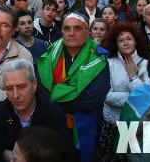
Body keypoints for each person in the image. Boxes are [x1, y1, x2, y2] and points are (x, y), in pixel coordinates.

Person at [36, 13, 110, 162]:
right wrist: (70, 94)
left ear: (88, 32)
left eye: (77, 28)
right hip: (52, 125)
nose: (71, 33)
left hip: (86, 127)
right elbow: (41, 92)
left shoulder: (99, 59)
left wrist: (55, 95)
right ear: (61, 31)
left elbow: (92, 100)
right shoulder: (49, 56)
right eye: (67, 28)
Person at [0, 59, 67, 162]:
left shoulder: (53, 114)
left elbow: (64, 155)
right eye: (9, 88)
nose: (16, 95)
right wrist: (2, 154)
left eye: (21, 87)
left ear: (34, 84)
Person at [99, 23, 150, 162]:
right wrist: (135, 97)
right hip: (112, 125)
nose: (126, 43)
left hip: (136, 125)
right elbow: (107, 96)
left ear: (135, 41)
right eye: (121, 40)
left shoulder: (146, 64)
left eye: (129, 39)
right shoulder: (109, 63)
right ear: (116, 44)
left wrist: (133, 77)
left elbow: (147, 98)